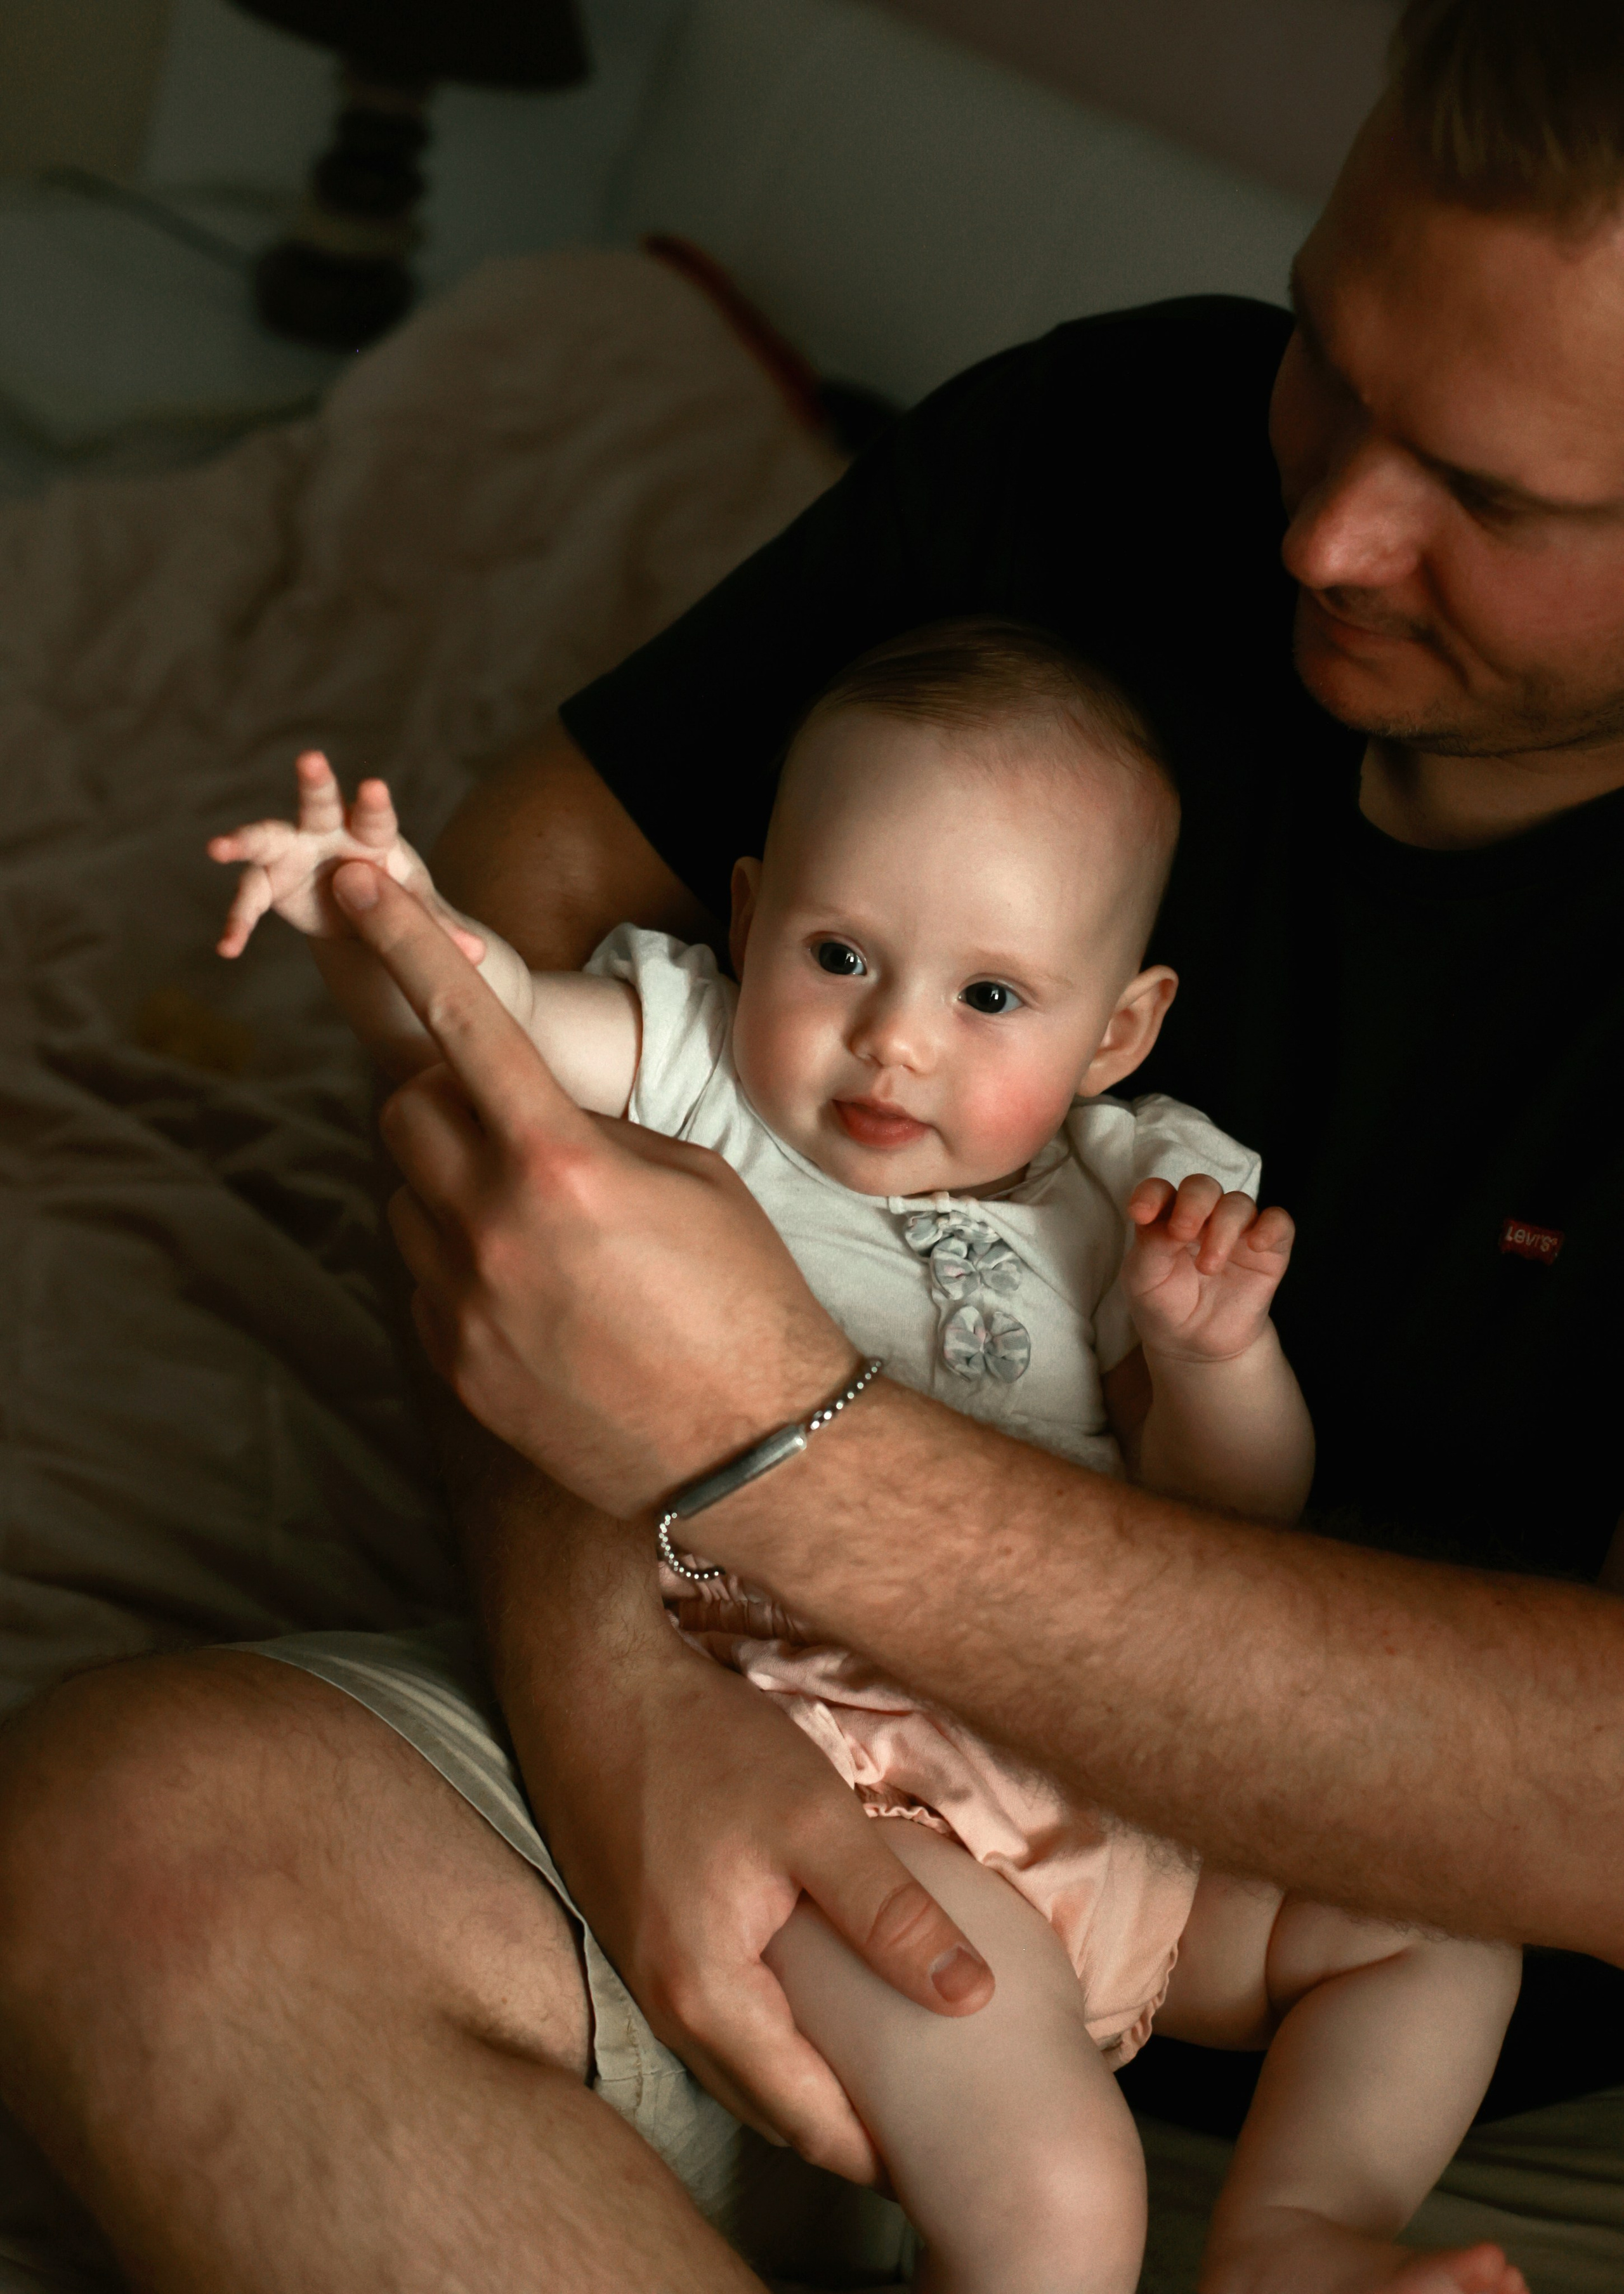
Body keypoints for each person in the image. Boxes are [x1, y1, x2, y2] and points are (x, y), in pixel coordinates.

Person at [4, 2, 1624, 2288]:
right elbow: (526, 930)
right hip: (795, 1810)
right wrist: (611, 1683)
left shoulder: (1130, 1161)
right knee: (133, 1852)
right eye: (1334, 359)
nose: (1331, 529)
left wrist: (792, 1445)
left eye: (1501, 499)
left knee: (1430, 1948)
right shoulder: (1107, 447)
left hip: (1367, 2009)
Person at [208, 623, 1524, 2291]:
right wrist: (377, 912)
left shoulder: (1136, 1192)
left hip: (1128, 1781)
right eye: (841, 957)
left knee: (1448, 1931)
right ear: (751, 924)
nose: (897, 1042)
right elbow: (503, 1024)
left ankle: (1295, 2235)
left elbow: (1237, 1517)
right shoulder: (695, 1064)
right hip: (856, 1786)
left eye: (990, 997)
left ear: (1119, 1031)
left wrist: (1214, 1356)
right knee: (1057, 2197)